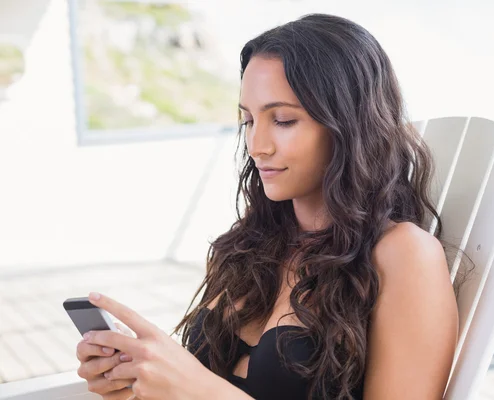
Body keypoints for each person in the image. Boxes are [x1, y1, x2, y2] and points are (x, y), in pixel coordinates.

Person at [75, 13, 458, 400]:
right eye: (248, 121)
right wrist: (139, 382)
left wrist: (197, 389)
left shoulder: (405, 254)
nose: (257, 145)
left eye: (284, 120)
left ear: (350, 124)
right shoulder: (249, 245)